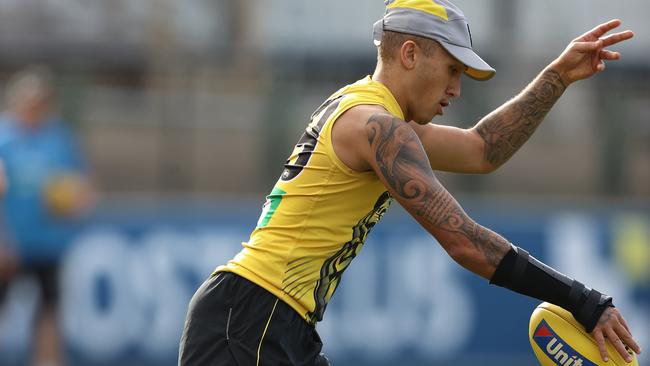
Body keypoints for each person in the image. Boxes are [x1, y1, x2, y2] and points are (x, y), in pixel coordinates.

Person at [179, 1, 642, 365]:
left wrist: (557, 76)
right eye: (452, 70)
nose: (456, 89)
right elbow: (465, 243)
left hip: (271, 322)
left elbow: (483, 149)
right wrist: (584, 300)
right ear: (409, 53)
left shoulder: (374, 115)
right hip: (251, 318)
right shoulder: (374, 126)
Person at [0, 65, 95, 366]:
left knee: (49, 309)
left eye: (40, 101)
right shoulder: (3, 137)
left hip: (48, 243)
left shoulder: (58, 139)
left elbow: (84, 186)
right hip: (9, 244)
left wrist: (75, 200)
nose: (35, 107)